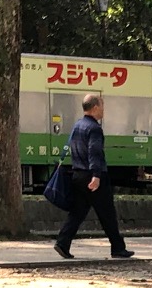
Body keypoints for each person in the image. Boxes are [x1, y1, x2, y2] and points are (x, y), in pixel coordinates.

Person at [54, 91, 133, 261]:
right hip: (93, 176)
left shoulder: (77, 126)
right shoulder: (95, 128)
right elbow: (94, 152)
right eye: (102, 106)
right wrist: (96, 175)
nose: (103, 110)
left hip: (77, 174)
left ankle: (63, 242)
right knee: (107, 213)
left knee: (78, 211)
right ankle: (118, 248)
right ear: (95, 107)